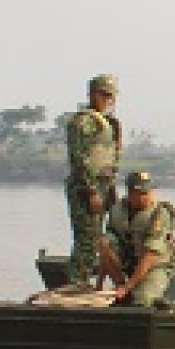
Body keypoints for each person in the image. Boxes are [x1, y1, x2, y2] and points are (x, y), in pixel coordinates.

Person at [63, 74, 123, 288]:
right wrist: (91, 191)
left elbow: (110, 159)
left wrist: (111, 190)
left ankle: (94, 283)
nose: (108, 100)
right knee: (86, 241)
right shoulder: (83, 121)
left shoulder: (109, 122)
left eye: (111, 96)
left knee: (107, 238)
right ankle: (76, 284)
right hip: (86, 188)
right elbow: (79, 158)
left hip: (104, 187)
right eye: (104, 95)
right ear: (92, 94)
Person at [102, 170, 175, 308]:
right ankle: (122, 289)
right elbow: (105, 248)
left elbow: (150, 256)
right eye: (142, 193)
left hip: (155, 265)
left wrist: (128, 287)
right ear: (131, 193)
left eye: (149, 192)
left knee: (142, 300)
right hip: (129, 260)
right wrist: (100, 283)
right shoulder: (117, 210)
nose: (148, 196)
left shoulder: (159, 214)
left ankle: (149, 297)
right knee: (104, 241)